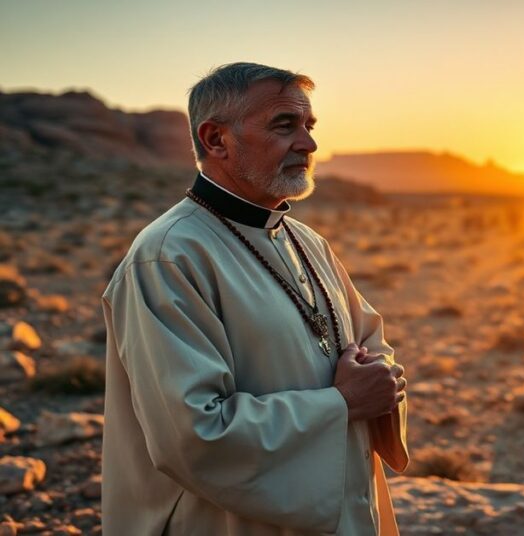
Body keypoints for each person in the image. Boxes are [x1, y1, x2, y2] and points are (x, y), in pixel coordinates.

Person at [101, 63, 409, 535]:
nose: (308, 144)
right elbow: (192, 435)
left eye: (309, 126)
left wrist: (380, 380)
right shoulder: (168, 257)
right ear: (216, 139)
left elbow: (368, 343)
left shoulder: (306, 240)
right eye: (284, 125)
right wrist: (342, 403)